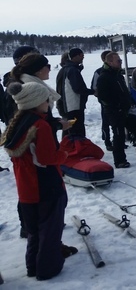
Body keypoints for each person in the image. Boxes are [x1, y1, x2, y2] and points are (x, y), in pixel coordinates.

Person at [1, 82, 70, 280]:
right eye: (45, 99)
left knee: (35, 232)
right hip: (45, 185)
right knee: (49, 230)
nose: (48, 103)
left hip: (26, 188)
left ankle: (33, 266)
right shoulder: (40, 126)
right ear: (36, 102)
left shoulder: (18, 122)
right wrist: (64, 153)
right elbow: (47, 158)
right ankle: (48, 269)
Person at [96, 52, 136, 168]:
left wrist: (130, 101)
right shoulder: (104, 77)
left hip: (126, 110)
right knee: (119, 135)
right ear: (110, 62)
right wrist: (116, 106)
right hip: (114, 112)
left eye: (120, 60)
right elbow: (102, 97)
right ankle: (119, 161)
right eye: (118, 61)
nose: (120, 63)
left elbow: (124, 91)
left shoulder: (118, 75)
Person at [55, 48, 93, 138]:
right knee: (75, 132)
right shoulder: (71, 70)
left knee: (69, 130)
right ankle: (75, 149)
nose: (83, 58)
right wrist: (93, 92)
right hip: (73, 106)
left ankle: (67, 149)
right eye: (81, 55)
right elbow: (78, 88)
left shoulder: (64, 70)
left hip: (66, 106)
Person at [91, 50, 113, 150]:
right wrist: (101, 97)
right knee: (106, 121)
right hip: (105, 101)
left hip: (115, 101)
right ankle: (107, 140)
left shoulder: (115, 71)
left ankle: (116, 140)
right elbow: (94, 87)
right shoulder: (99, 72)